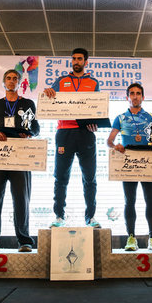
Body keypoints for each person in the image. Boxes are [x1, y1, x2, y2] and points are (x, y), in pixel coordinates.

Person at [0, 69, 40, 253]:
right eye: (8, 78)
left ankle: (24, 241)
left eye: (15, 78)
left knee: (22, 199)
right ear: (3, 82)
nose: (12, 81)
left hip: (20, 155)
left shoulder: (28, 103)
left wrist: (28, 134)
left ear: (20, 82)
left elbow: (36, 128)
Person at [45, 48, 101, 228]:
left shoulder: (93, 83)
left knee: (90, 178)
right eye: (74, 59)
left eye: (79, 59)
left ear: (86, 62)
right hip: (64, 133)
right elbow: (50, 98)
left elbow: (97, 108)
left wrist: (95, 123)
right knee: (60, 177)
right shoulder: (61, 81)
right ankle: (59, 217)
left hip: (86, 134)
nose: (76, 62)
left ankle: (90, 217)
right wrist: (48, 93)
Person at [107, 83, 152, 252]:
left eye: (138, 93)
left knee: (150, 200)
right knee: (130, 201)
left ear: (143, 97)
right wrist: (115, 145)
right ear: (127, 97)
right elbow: (109, 140)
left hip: (148, 161)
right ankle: (131, 238)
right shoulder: (120, 118)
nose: (135, 96)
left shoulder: (151, 117)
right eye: (132, 93)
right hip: (129, 163)